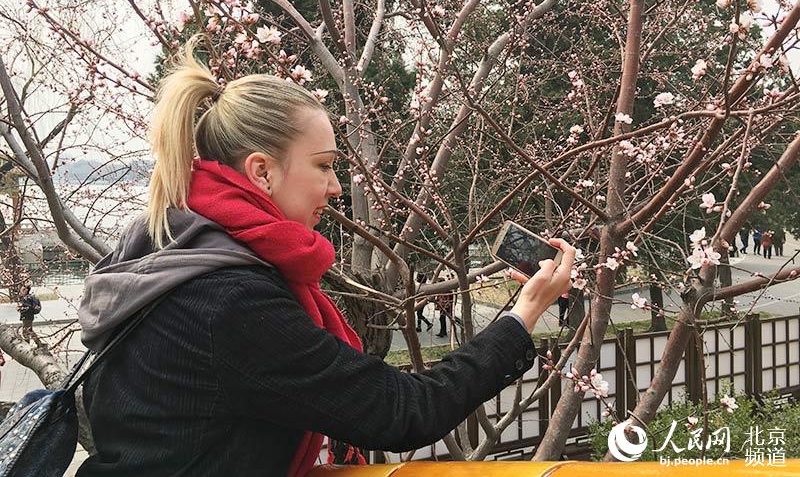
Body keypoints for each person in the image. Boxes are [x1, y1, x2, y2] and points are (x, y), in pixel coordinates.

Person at [76, 43, 576, 477]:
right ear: (262, 172)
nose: (337, 188)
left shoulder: (172, 252)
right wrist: (525, 312)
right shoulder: (228, 300)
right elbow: (404, 410)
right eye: (324, 166)